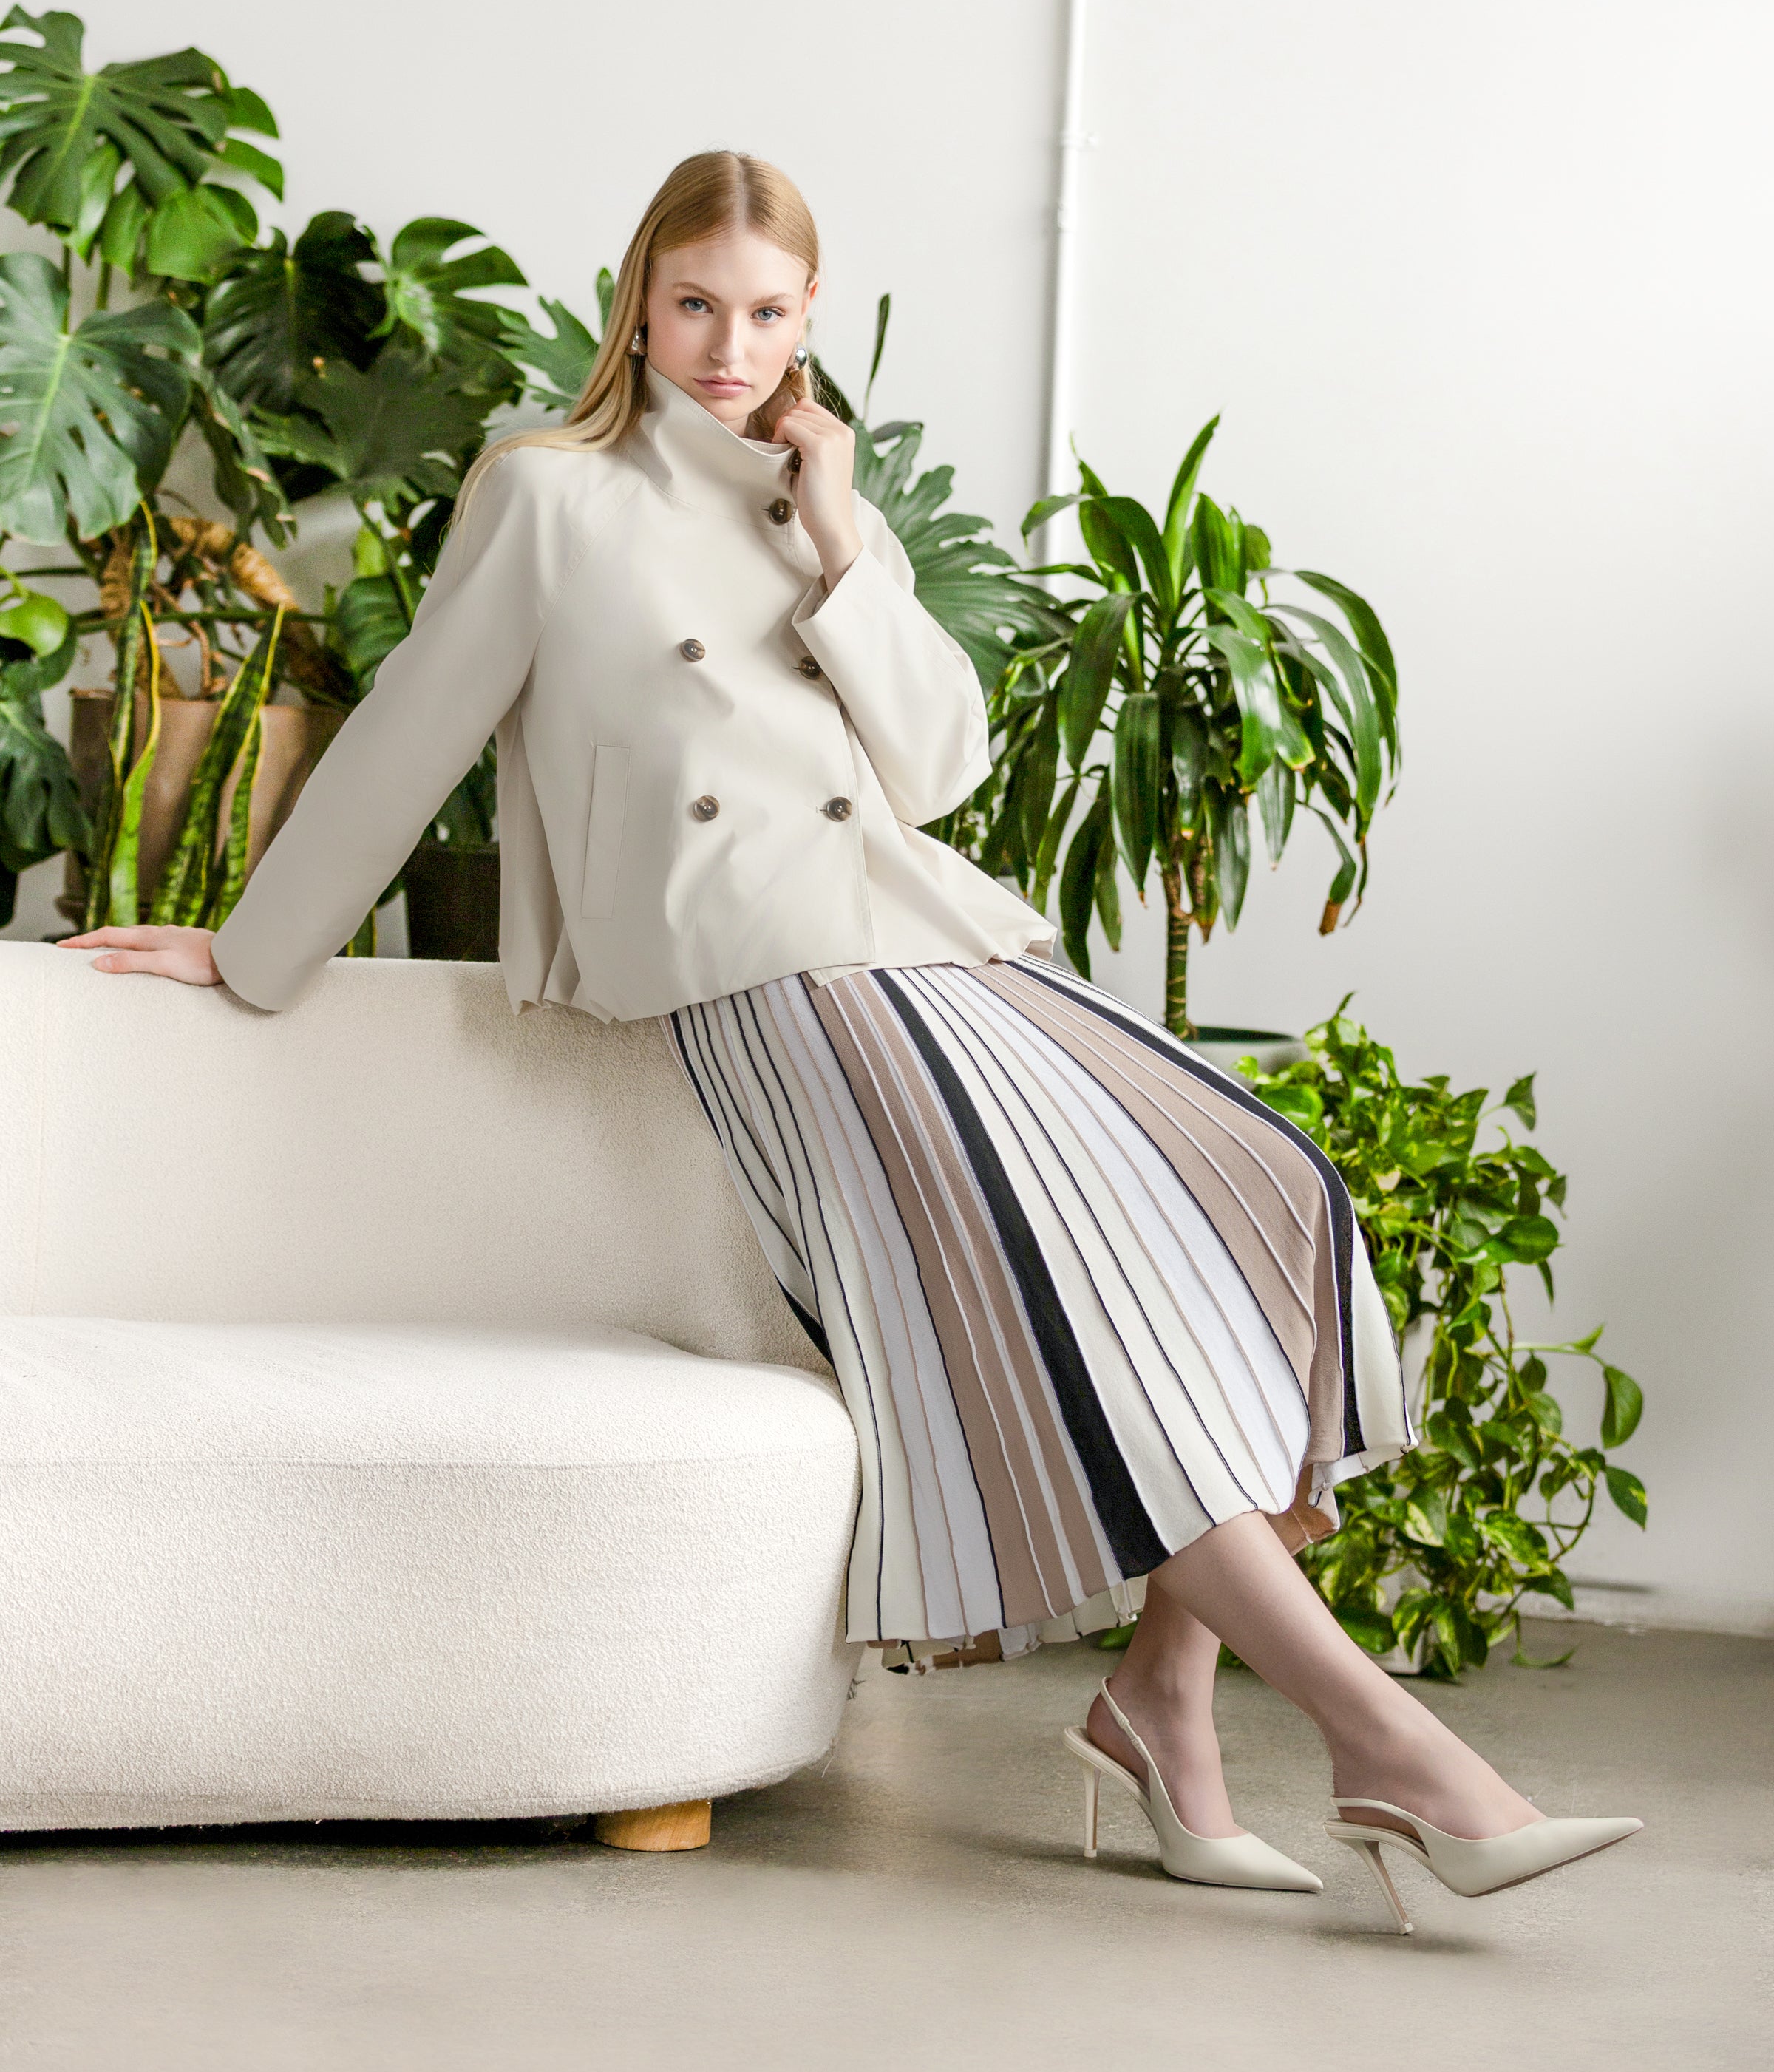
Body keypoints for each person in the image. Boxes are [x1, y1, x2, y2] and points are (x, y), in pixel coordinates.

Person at [69, 149, 1638, 1929]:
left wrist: (839, 534)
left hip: (922, 939)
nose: (725, 346)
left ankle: (1163, 1707)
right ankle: (1390, 1747)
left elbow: (944, 766)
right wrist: (254, 947)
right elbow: (414, 723)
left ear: (807, 322)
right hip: (759, 983)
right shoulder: (547, 490)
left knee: (1274, 1188)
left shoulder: (821, 496)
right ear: (635, 302)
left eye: (764, 313)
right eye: (692, 306)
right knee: (1087, 1323)